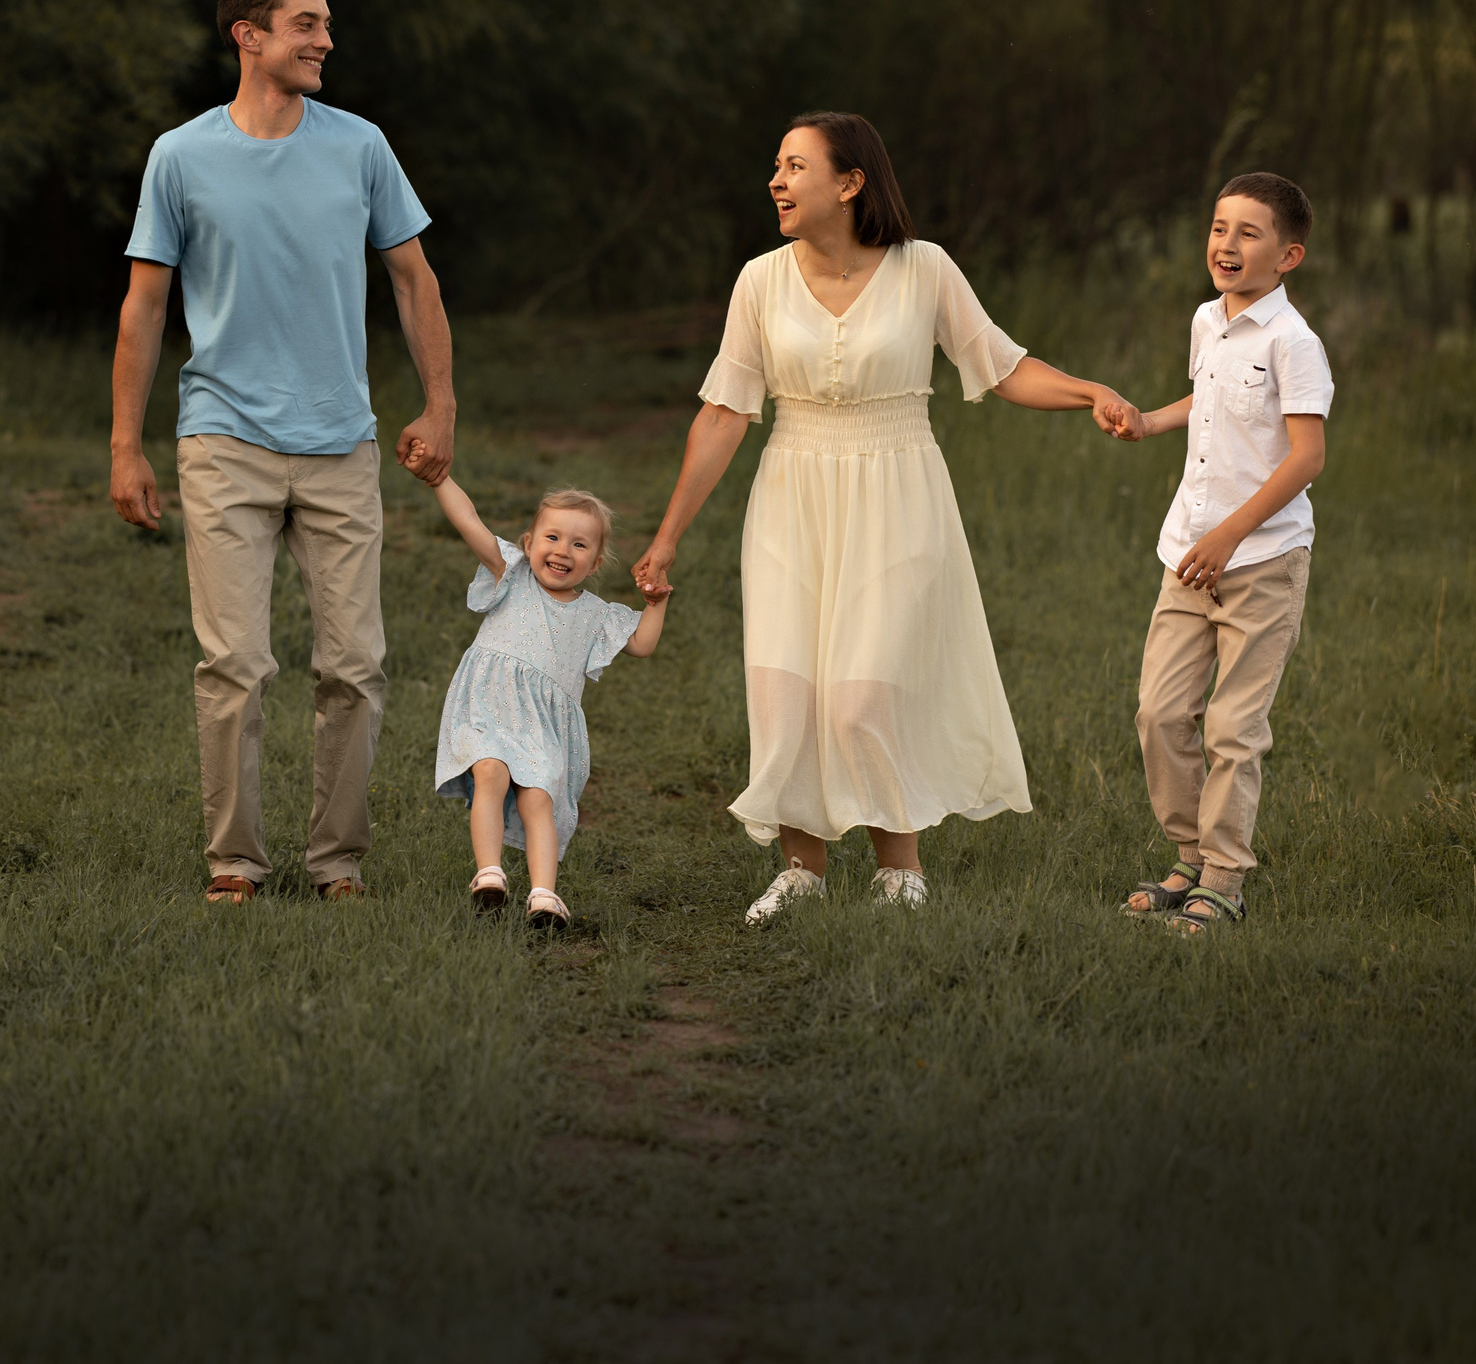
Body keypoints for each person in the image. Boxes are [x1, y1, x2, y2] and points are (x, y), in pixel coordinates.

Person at [632, 111, 1135, 923]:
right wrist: (667, 537)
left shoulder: (923, 269)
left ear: (850, 182)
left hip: (899, 490)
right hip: (793, 492)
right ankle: (802, 870)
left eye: (795, 167)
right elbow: (724, 412)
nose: (776, 181)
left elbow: (1000, 365)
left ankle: (899, 870)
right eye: (776, 165)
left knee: (865, 693)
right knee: (788, 686)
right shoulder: (759, 280)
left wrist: (1089, 391)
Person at [108, 0, 457, 905]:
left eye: (327, 24)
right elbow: (145, 309)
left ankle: (338, 864)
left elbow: (414, 279)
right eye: (305, 24)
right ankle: (236, 863)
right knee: (236, 665)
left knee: (356, 665)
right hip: (222, 441)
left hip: (341, 442)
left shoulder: (360, 147)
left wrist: (440, 403)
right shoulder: (180, 157)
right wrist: (124, 445)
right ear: (248, 35)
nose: (325, 41)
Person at [1115, 173, 1332, 934]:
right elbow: (1205, 403)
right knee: (1160, 713)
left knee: (1233, 729)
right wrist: (1148, 420)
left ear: (1288, 254)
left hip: (1260, 561)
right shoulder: (1208, 322)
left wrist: (1231, 534)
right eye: (1218, 228)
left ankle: (1225, 879)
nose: (1226, 244)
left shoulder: (1293, 343)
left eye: (1248, 232)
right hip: (1188, 553)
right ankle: (1189, 855)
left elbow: (1306, 457)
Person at [422, 473, 670, 927]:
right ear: (529, 542)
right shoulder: (511, 576)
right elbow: (468, 521)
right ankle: (489, 873)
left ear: (595, 563)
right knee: (490, 772)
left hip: (542, 725)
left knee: (539, 799)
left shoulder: (595, 615)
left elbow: (642, 644)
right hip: (489, 707)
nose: (562, 550)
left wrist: (656, 601)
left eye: (579, 545)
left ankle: (543, 895)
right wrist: (439, 479)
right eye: (552, 537)